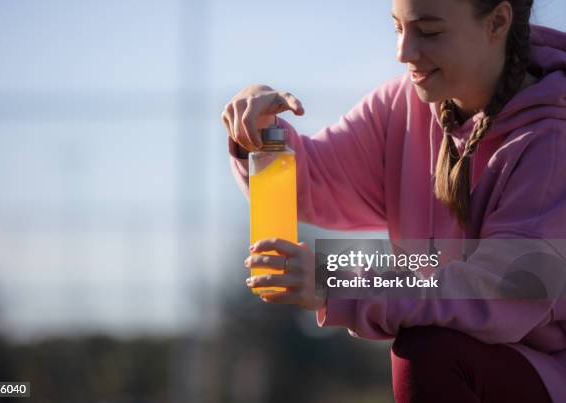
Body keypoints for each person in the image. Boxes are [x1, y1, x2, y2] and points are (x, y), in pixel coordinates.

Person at [222, 0, 566, 401]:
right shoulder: (401, 108)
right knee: (427, 347)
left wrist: (333, 282)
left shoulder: (552, 139)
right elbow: (313, 181)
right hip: (479, 363)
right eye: (398, 28)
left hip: (547, 375)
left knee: (428, 353)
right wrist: (262, 133)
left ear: (498, 21)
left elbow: (501, 293)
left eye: (429, 31)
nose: (403, 53)